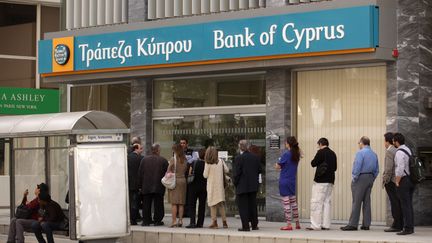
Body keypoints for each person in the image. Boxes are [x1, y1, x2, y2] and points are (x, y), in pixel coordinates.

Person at [341, 136, 379, 231]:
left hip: (360, 178)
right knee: (367, 201)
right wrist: (372, 178)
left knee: (356, 201)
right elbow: (377, 169)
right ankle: (366, 224)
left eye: (359, 143)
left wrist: (354, 177)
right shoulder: (374, 154)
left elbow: (357, 166)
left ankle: (353, 224)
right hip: (370, 177)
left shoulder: (360, 153)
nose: (358, 145)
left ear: (362, 143)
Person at [307, 137, 337, 231]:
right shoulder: (333, 153)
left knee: (316, 202)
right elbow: (335, 168)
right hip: (330, 181)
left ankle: (315, 225)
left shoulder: (321, 152)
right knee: (327, 202)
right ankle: (326, 225)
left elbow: (313, 163)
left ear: (320, 144)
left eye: (318, 145)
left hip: (320, 181)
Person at [234, 140, 262, 232]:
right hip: (253, 185)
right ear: (248, 147)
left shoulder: (239, 158)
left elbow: (237, 174)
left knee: (243, 207)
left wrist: (235, 183)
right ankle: (254, 225)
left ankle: (245, 226)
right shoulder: (256, 157)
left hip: (242, 186)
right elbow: (259, 170)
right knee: (253, 205)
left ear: (240, 147)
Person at [275, 136, 302, 231]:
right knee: (293, 202)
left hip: (284, 180)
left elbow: (278, 166)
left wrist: (277, 163)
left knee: (286, 203)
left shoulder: (286, 154)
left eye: (286, 143)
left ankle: (289, 224)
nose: (285, 144)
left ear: (288, 144)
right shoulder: (297, 154)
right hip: (292, 180)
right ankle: (297, 223)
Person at [138, 143, 169, 226]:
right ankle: (157, 220)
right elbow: (167, 174)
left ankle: (146, 221)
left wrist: (140, 186)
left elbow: (140, 173)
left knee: (146, 204)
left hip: (146, 185)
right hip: (158, 185)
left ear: (151, 150)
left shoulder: (144, 160)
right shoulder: (163, 160)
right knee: (158, 204)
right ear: (158, 150)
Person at [393, 133, 415, 235]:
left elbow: (400, 168)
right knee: (409, 205)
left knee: (405, 205)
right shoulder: (408, 149)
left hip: (404, 180)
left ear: (396, 142)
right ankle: (410, 227)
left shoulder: (399, 152)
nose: (393, 142)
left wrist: (397, 181)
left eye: (393, 141)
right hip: (411, 180)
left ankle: (407, 228)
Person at [203, 146, 229, 229]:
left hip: (211, 186)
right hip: (220, 186)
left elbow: (205, 175)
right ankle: (224, 222)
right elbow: (227, 170)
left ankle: (214, 222)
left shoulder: (208, 163)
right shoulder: (221, 161)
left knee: (212, 204)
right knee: (221, 204)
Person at [382, 132, 403, 232]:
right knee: (397, 202)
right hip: (396, 181)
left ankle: (396, 225)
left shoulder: (390, 151)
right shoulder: (396, 150)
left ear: (387, 141)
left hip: (391, 181)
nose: (384, 143)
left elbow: (388, 168)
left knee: (394, 203)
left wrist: (385, 180)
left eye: (384, 141)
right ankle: (399, 223)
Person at [185, 149, 208, 228]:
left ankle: (192, 222)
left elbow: (187, 173)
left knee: (192, 205)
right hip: (203, 187)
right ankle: (200, 223)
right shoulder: (207, 165)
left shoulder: (193, 163)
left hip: (193, 186)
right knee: (202, 205)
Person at [167, 144, 188, 227]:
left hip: (175, 181)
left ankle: (174, 221)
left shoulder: (173, 159)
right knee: (181, 203)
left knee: (174, 203)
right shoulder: (185, 159)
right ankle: (180, 220)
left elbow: (169, 170)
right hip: (183, 180)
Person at [127, 143, 143, 225]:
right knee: (135, 202)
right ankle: (134, 219)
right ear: (136, 149)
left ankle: (130, 218)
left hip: (128, 183)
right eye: (140, 148)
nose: (142, 150)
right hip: (137, 184)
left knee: (129, 202)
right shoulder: (141, 158)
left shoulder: (127, 157)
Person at [179, 138, 194, 218]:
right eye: (181, 143)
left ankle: (188, 212)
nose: (182, 145)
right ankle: (181, 213)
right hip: (180, 176)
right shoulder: (177, 152)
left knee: (188, 194)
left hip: (188, 175)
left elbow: (194, 162)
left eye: (184, 143)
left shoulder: (191, 152)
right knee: (181, 195)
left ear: (187, 144)